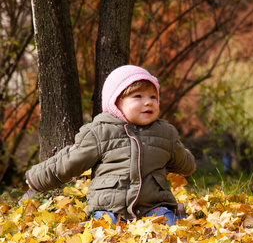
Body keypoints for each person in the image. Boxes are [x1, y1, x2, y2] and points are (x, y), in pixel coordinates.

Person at [26, 65, 196, 226]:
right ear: (116, 102)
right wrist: (37, 178)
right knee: (105, 229)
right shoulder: (100, 133)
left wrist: (187, 163)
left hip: (153, 206)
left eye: (153, 97)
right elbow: (70, 161)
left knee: (166, 223)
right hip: (109, 208)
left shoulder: (164, 133)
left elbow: (184, 162)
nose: (149, 102)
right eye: (138, 96)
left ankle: (172, 219)